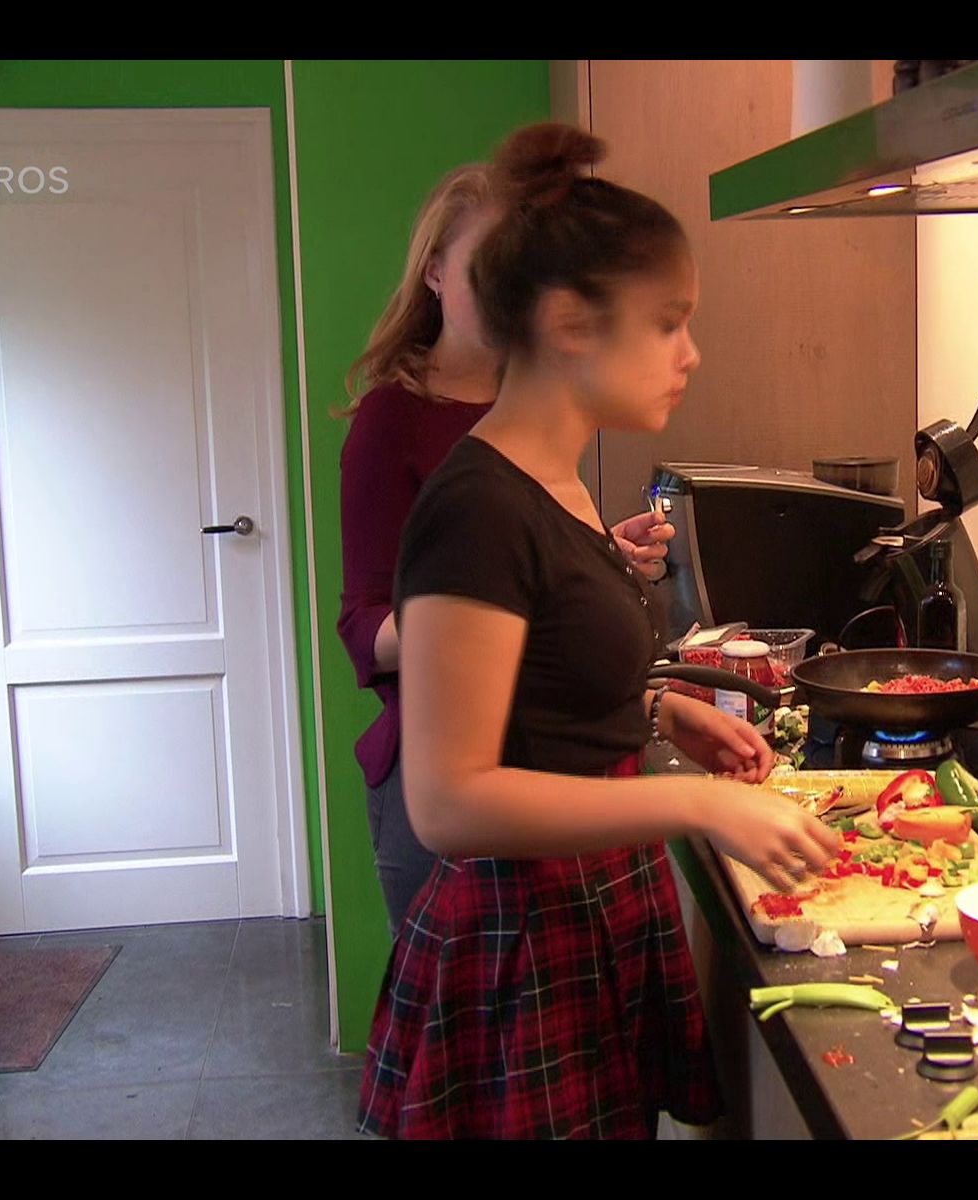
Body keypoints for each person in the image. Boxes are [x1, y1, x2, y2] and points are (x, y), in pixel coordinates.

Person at [356, 123, 839, 1140]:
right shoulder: (476, 507)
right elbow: (448, 801)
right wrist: (697, 805)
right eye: (668, 323)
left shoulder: (556, 478)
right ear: (572, 323)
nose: (690, 353)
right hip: (518, 937)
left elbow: (540, 686)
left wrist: (654, 712)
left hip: (584, 906)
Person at [337, 164, 675, 933]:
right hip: (441, 773)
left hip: (539, 766)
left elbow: (527, 568)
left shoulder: (531, 403)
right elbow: (362, 622)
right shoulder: (393, 422)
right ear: (433, 272)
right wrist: (492, 602)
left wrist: (590, 560)